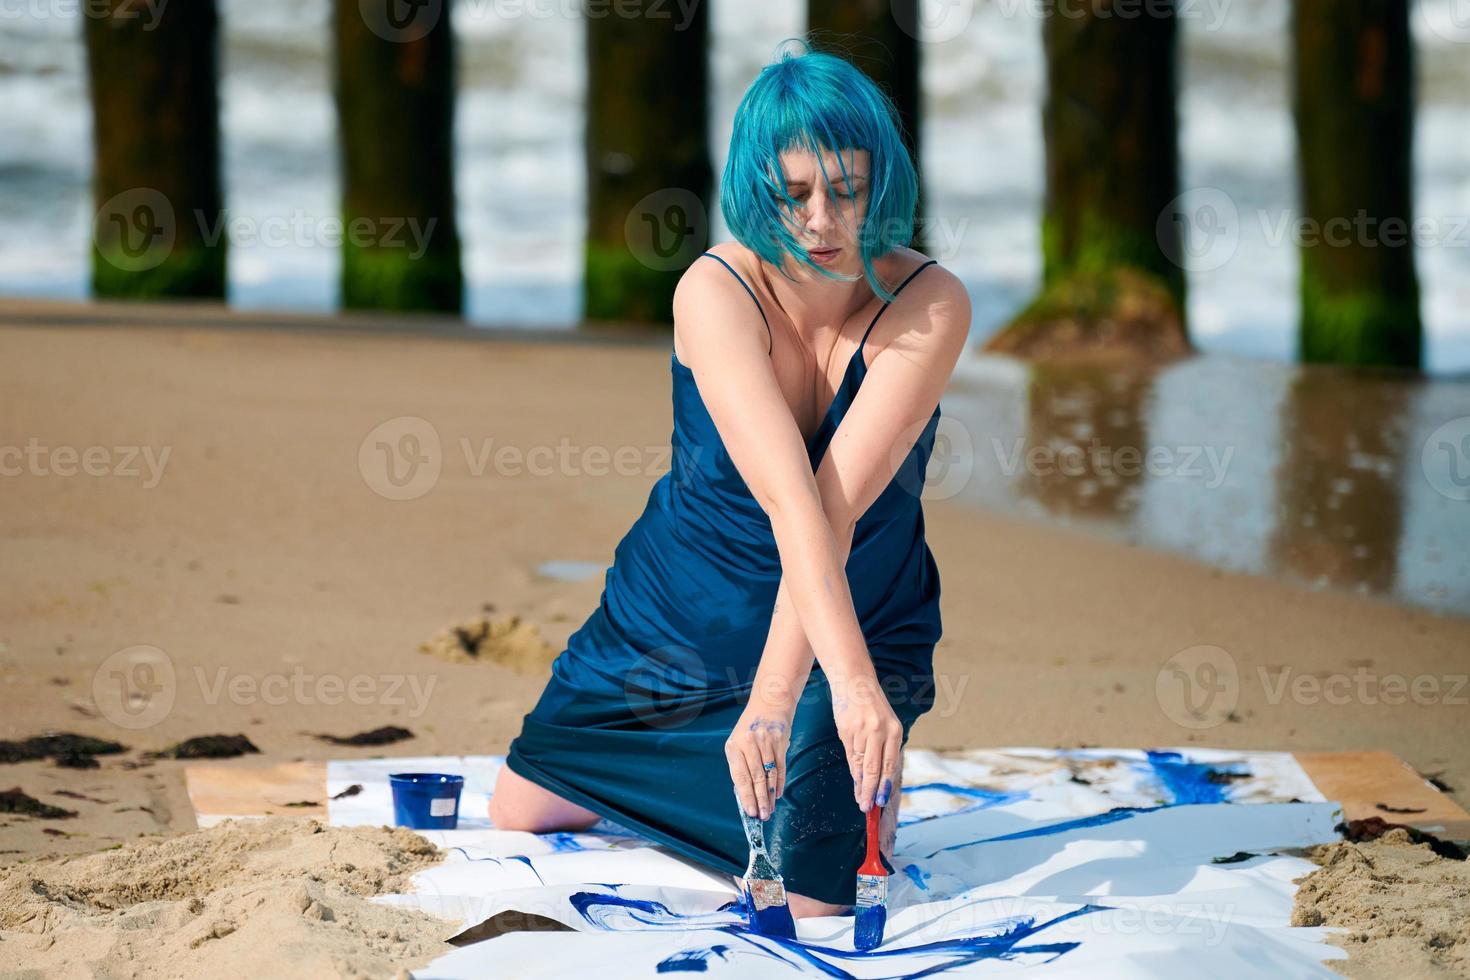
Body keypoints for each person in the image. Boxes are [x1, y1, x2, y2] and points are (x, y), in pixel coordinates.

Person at [490, 41, 971, 918]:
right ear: (758, 188)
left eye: (847, 190)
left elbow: (833, 507)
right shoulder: (714, 292)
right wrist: (762, 706)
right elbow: (789, 501)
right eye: (794, 195)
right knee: (518, 811)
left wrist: (817, 691)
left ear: (882, 184)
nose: (822, 220)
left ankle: (830, 774)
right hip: (677, 617)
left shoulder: (932, 303)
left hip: (844, 627)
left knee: (818, 901)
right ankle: (747, 771)